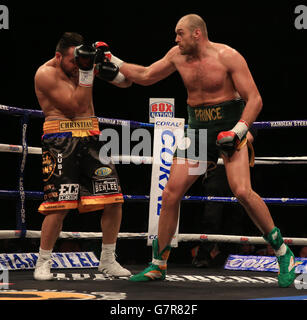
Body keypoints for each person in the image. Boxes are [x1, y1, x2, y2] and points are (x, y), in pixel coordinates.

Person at [103, 14, 296, 287]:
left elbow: (255, 99)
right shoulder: (176, 56)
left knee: (241, 191)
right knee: (170, 193)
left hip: (229, 128)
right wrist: (115, 61)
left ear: (197, 34)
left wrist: (239, 131)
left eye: (180, 33)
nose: (176, 39)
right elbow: (146, 75)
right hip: (196, 130)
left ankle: (282, 252)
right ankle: (158, 264)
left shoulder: (228, 56)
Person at [33, 32, 132, 280]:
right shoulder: (45, 74)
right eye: (72, 61)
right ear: (58, 56)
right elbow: (75, 106)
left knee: (114, 199)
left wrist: (109, 60)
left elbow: (125, 83)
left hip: (91, 137)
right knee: (59, 206)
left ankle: (108, 260)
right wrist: (88, 72)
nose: (77, 65)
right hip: (60, 139)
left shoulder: (81, 64)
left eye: (80, 61)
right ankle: (43, 261)